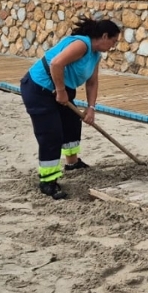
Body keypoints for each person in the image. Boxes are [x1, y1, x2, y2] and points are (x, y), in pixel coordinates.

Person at [21, 16, 122, 200]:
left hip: (62, 89)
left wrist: (91, 108)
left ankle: (72, 163)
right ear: (105, 36)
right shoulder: (81, 45)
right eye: (113, 42)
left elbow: (92, 82)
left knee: (71, 123)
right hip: (39, 88)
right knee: (51, 134)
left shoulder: (96, 54)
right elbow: (56, 63)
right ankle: (48, 181)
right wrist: (60, 91)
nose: (113, 47)